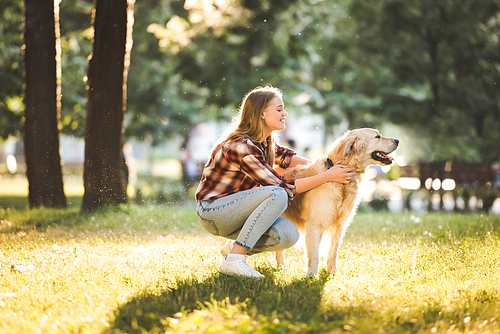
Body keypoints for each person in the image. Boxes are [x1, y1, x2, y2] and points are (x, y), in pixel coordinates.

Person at [195, 85, 355, 278]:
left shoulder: (264, 143)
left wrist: (324, 166)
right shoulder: (242, 147)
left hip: (237, 211)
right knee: (277, 193)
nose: (284, 113)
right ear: (262, 114)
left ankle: (234, 247)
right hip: (214, 212)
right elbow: (282, 187)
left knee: (288, 235)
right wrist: (326, 176)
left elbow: (286, 156)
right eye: (279, 109)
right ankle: (235, 260)